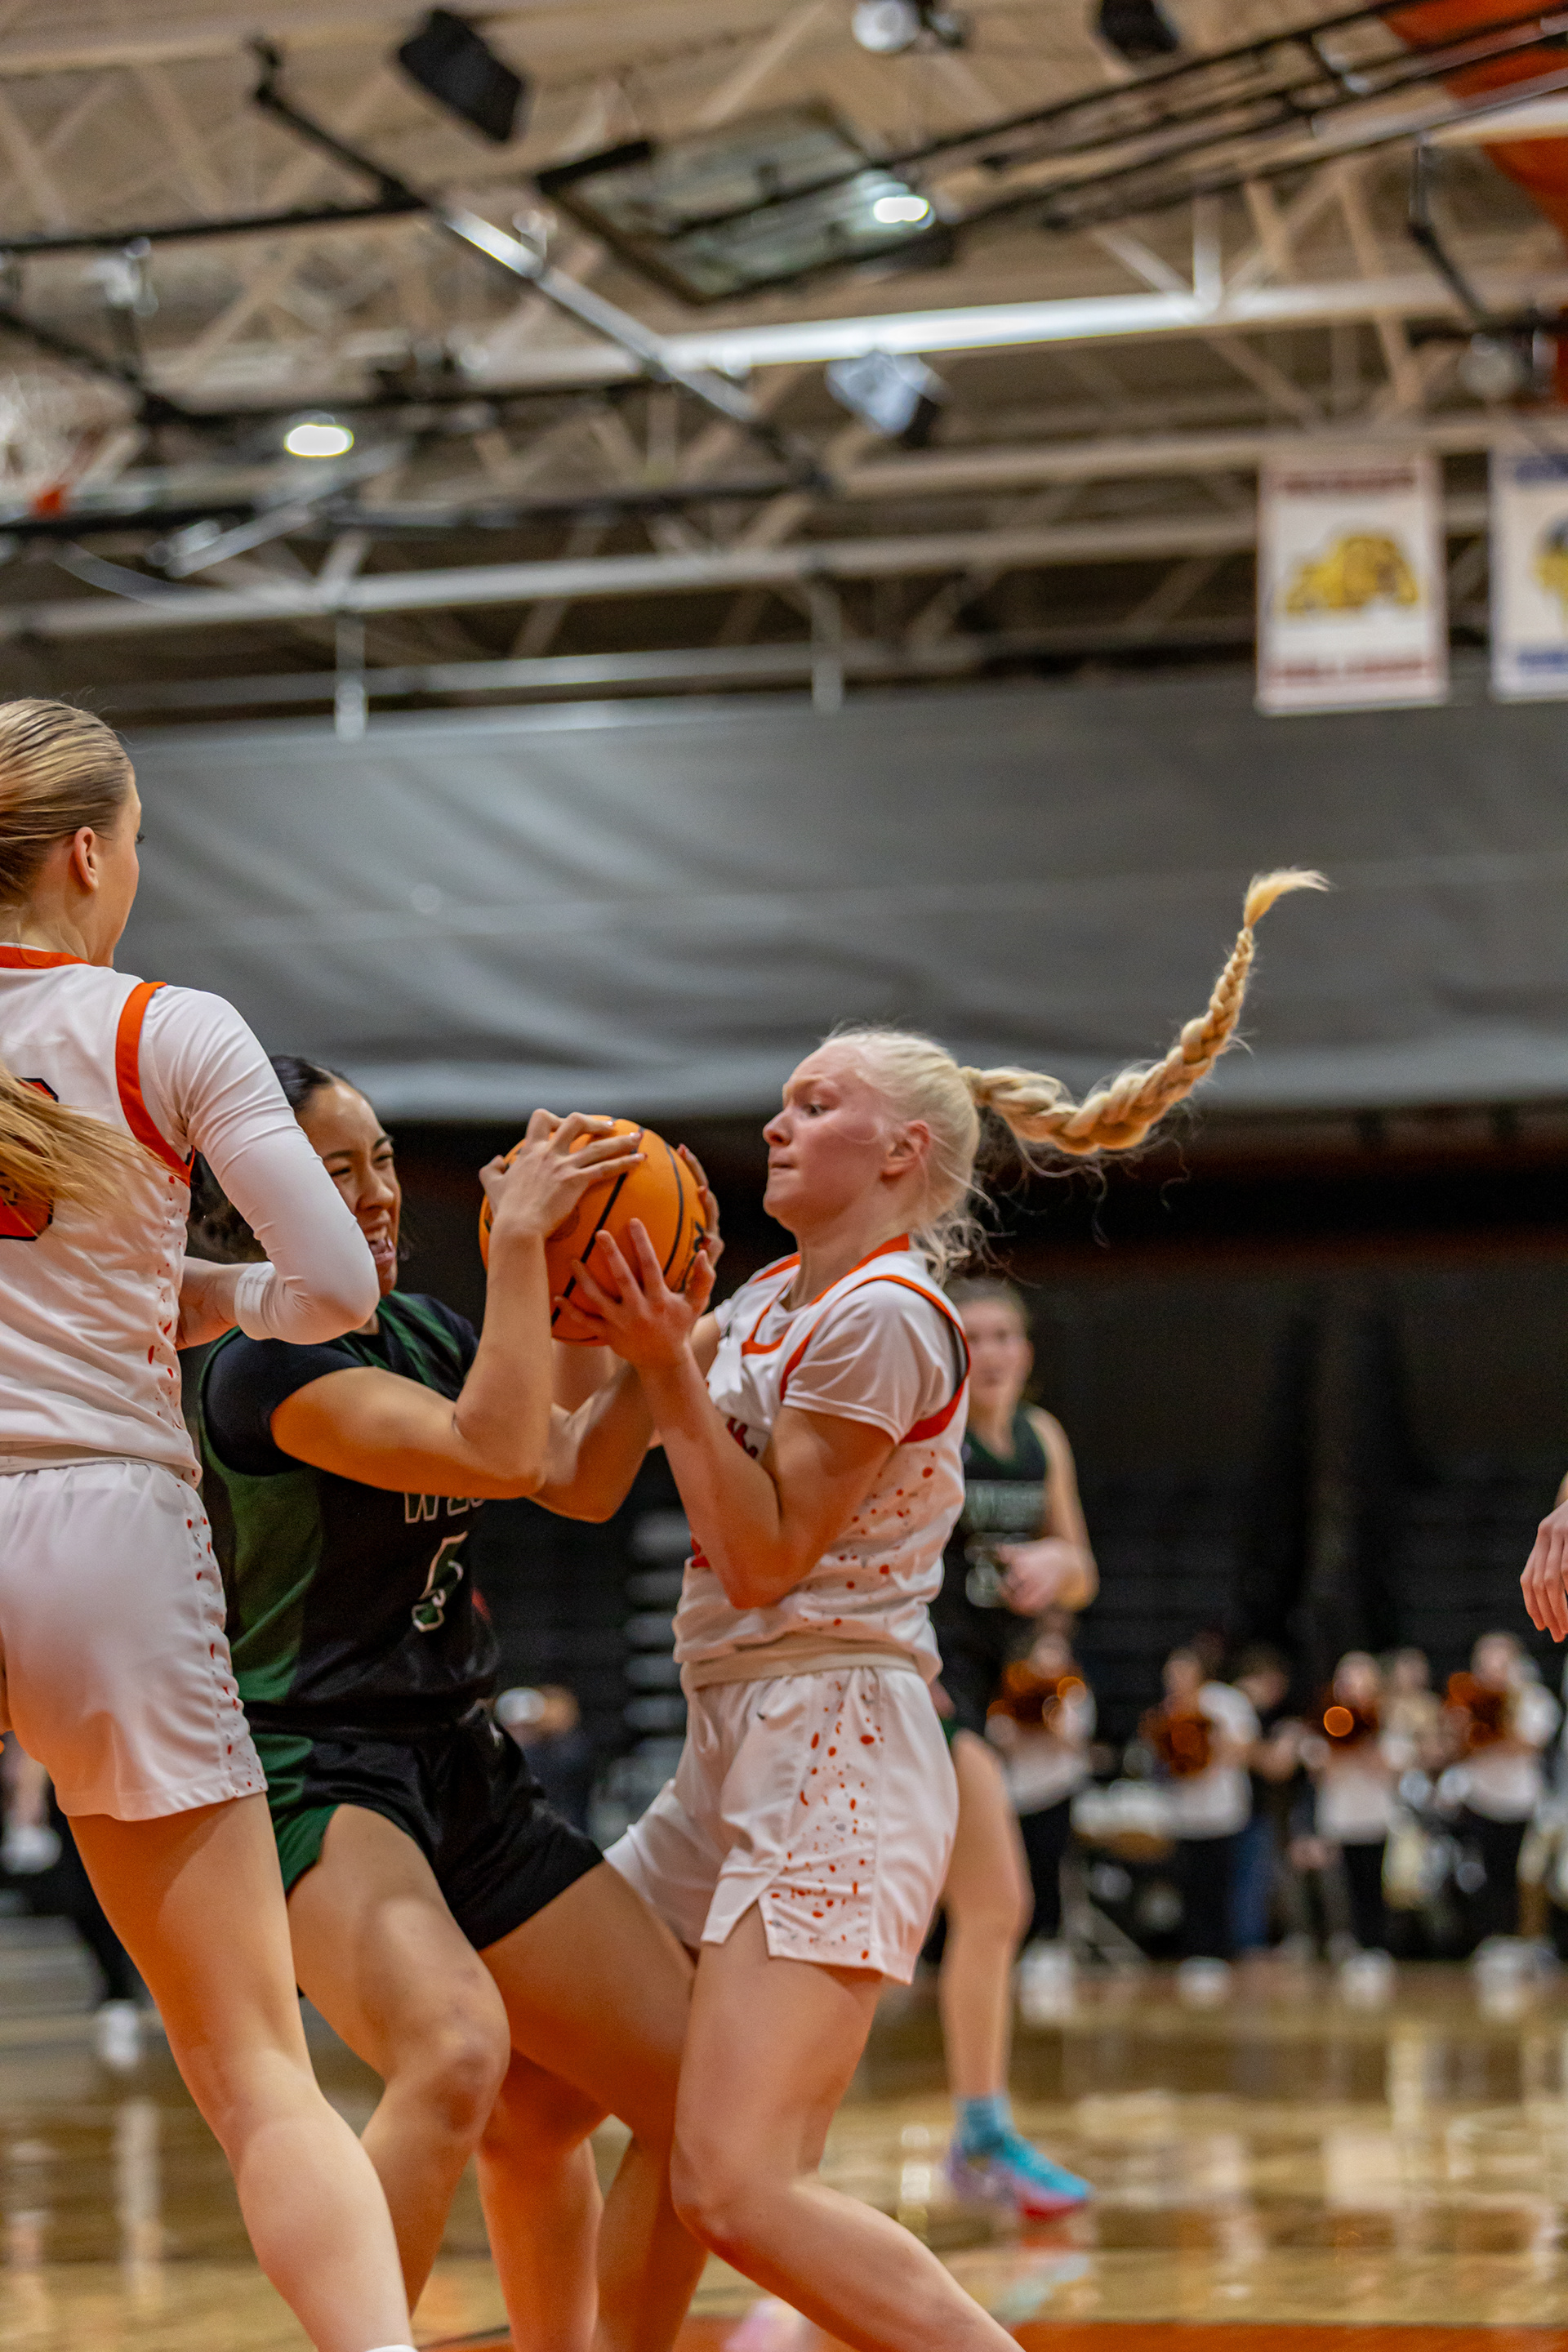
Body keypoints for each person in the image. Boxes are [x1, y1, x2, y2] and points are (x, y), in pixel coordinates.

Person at [572, 868, 1321, 2351]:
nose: (775, 1123)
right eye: (779, 1103)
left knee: (734, 2185)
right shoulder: (762, 1300)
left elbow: (766, 1560)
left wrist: (663, 1371)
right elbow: (573, 1479)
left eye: (814, 1103)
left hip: (835, 1742)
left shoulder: (890, 1314)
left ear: (902, 1150)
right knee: (561, 2085)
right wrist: (549, 1280)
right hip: (734, 1736)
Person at [0, 698, 418, 2352]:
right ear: (88, 854)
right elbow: (339, 1286)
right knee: (254, 2070)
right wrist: (202, 1297)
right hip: (101, 1525)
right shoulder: (165, 1027)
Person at [198, 1061, 712, 2352]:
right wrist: (524, 1247)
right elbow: (498, 1447)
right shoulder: (259, 1367)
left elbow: (578, 1477)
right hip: (319, 1768)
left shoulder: (424, 1333)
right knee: (452, 2052)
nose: (376, 1191)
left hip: (462, 1760)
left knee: (695, 2097)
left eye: (380, 1158)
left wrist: (659, 1343)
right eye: (335, 1169)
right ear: (254, 1199)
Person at [928, 1275, 1095, 2219]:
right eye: (974, 1335)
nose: (990, 1352)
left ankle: (979, 2132)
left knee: (969, 1912)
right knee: (995, 1902)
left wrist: (1058, 1564)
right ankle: (978, 2134)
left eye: (1004, 1336)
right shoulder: (929, 1430)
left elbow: (1085, 1571)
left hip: (983, 1694)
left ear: (1027, 1351)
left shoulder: (1043, 1439)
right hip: (923, 1686)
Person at [1441, 1630, 1558, 1947]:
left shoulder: (1534, 1699)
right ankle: (1490, 1940)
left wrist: (1500, 1715)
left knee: (1520, 1874)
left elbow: (1530, 1743)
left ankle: (1521, 1941)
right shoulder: (1466, 1699)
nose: (1492, 1668)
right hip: (1480, 1798)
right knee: (1481, 1874)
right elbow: (1453, 1747)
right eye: (1485, 1661)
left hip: (1520, 1801)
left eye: (1500, 1661)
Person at [1144, 1647, 1258, 1971]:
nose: (1176, 1682)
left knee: (1219, 1886)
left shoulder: (1225, 1702)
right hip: (1185, 1814)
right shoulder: (1167, 1711)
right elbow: (1159, 1761)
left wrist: (1209, 1735)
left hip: (1222, 1812)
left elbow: (1245, 1750)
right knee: (1190, 1887)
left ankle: (1221, 1952)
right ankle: (1195, 1951)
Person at [1306, 1651, 1395, 1953]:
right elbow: (1318, 1767)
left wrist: (1365, 1735)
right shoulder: (1324, 1722)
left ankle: (1376, 1946)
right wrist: (1339, 1740)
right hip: (1339, 1818)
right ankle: (1347, 1941)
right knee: (1341, 1888)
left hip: (1375, 1817)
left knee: (1373, 1885)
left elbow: (1390, 1766)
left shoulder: (1386, 1723)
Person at [1229, 1646, 1298, 1957]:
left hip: (1258, 1810)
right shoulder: (1234, 1710)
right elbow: (1271, 1762)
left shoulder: (1269, 1717)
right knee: (1245, 1884)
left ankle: (1249, 1945)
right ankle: (1244, 1945)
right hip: (1235, 1812)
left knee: (1256, 1884)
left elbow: (1279, 1766)